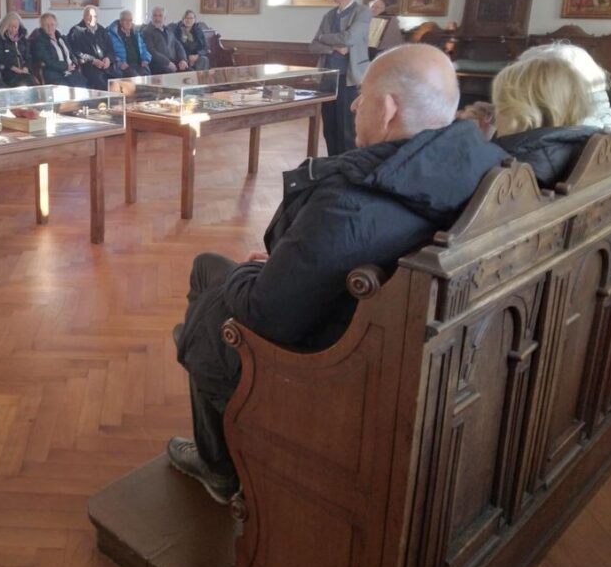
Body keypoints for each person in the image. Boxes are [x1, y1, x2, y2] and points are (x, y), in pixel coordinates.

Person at [167, 44, 508, 504]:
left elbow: (266, 314)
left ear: (387, 110)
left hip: (328, 354)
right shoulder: (476, 168)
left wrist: (254, 272)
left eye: (363, 95)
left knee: (205, 308)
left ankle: (219, 466)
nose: (353, 104)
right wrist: (281, 267)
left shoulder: (349, 201)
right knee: (209, 267)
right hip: (379, 325)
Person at [488, 45, 608, 189]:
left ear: (521, 115)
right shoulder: (588, 145)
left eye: (499, 106)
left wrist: (479, 144)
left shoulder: (511, 168)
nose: (494, 114)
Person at [309, 0, 372, 156]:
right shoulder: (329, 15)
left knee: (347, 129)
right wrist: (334, 48)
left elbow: (349, 38)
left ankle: (347, 165)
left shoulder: (362, 12)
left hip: (349, 78)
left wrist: (324, 38)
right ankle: (332, 163)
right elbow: (313, 45)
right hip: (328, 78)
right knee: (329, 128)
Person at [67, 5, 121, 90]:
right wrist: (92, 60)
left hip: (106, 66)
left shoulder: (101, 30)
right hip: (88, 67)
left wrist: (108, 58)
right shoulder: (76, 31)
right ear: (84, 16)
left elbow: (111, 49)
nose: (92, 19)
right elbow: (75, 52)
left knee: (119, 82)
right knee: (102, 84)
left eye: (95, 16)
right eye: (90, 16)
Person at [30, 12, 87, 88]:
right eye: (46, 25)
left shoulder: (62, 38)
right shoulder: (39, 41)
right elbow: (48, 61)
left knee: (82, 87)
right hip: (54, 73)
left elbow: (71, 54)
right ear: (42, 26)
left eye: (52, 24)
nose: (50, 27)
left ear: (56, 25)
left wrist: (74, 63)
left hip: (70, 71)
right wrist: (66, 66)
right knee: (64, 90)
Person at [0, 12, 36, 87]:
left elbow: (28, 56)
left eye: (16, 27)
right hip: (6, 71)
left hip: (23, 72)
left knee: (30, 82)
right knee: (21, 82)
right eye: (10, 26)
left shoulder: (22, 38)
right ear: (5, 25)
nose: (13, 29)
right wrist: (13, 68)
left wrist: (26, 67)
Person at [142, 6, 189, 74]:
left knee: (190, 72)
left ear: (164, 18)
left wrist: (183, 59)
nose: (157, 18)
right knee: (169, 72)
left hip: (173, 62)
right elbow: (151, 51)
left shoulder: (169, 30)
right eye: (155, 15)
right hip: (158, 65)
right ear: (151, 17)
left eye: (160, 16)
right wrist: (167, 63)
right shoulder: (147, 31)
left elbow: (178, 45)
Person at [108, 10, 152, 77]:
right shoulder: (112, 35)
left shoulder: (136, 34)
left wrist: (145, 59)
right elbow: (110, 53)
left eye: (130, 20)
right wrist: (119, 63)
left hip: (139, 64)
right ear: (120, 21)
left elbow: (143, 48)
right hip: (124, 66)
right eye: (126, 20)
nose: (128, 23)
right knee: (136, 77)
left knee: (148, 75)